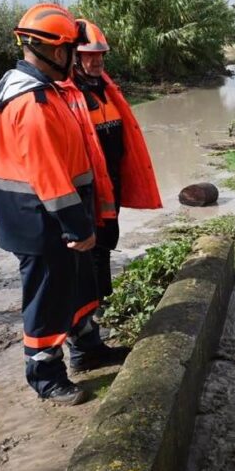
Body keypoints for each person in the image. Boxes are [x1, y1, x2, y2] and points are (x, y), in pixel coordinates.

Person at [0, 3, 126, 405]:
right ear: (53, 50)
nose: (76, 58)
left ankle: (87, 348)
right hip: (41, 220)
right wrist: (78, 226)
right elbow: (49, 175)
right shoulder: (33, 104)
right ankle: (46, 375)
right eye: (71, 49)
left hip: (60, 215)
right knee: (47, 298)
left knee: (79, 286)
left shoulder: (51, 92)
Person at [71, 19, 161, 301]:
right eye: (90, 55)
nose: (97, 60)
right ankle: (94, 305)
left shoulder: (107, 88)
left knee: (108, 239)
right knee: (92, 245)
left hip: (112, 179)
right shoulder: (70, 95)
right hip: (88, 184)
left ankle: (104, 299)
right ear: (75, 56)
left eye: (100, 54)